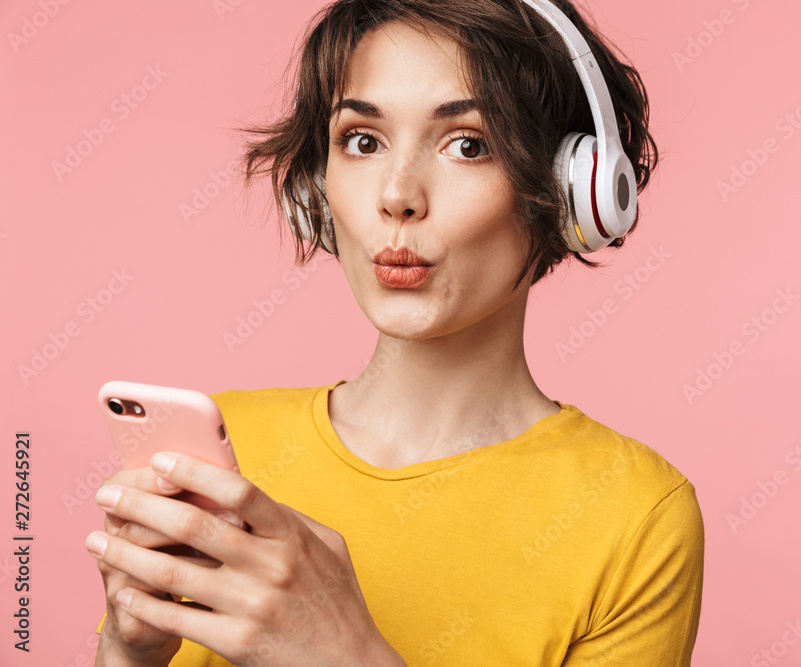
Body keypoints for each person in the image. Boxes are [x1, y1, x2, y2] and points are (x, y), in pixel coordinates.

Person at [88, 0, 705, 665]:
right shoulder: (220, 454)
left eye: (468, 144)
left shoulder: (635, 514)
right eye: (363, 140)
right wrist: (130, 651)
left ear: (572, 191)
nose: (397, 195)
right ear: (315, 189)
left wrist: (346, 650)